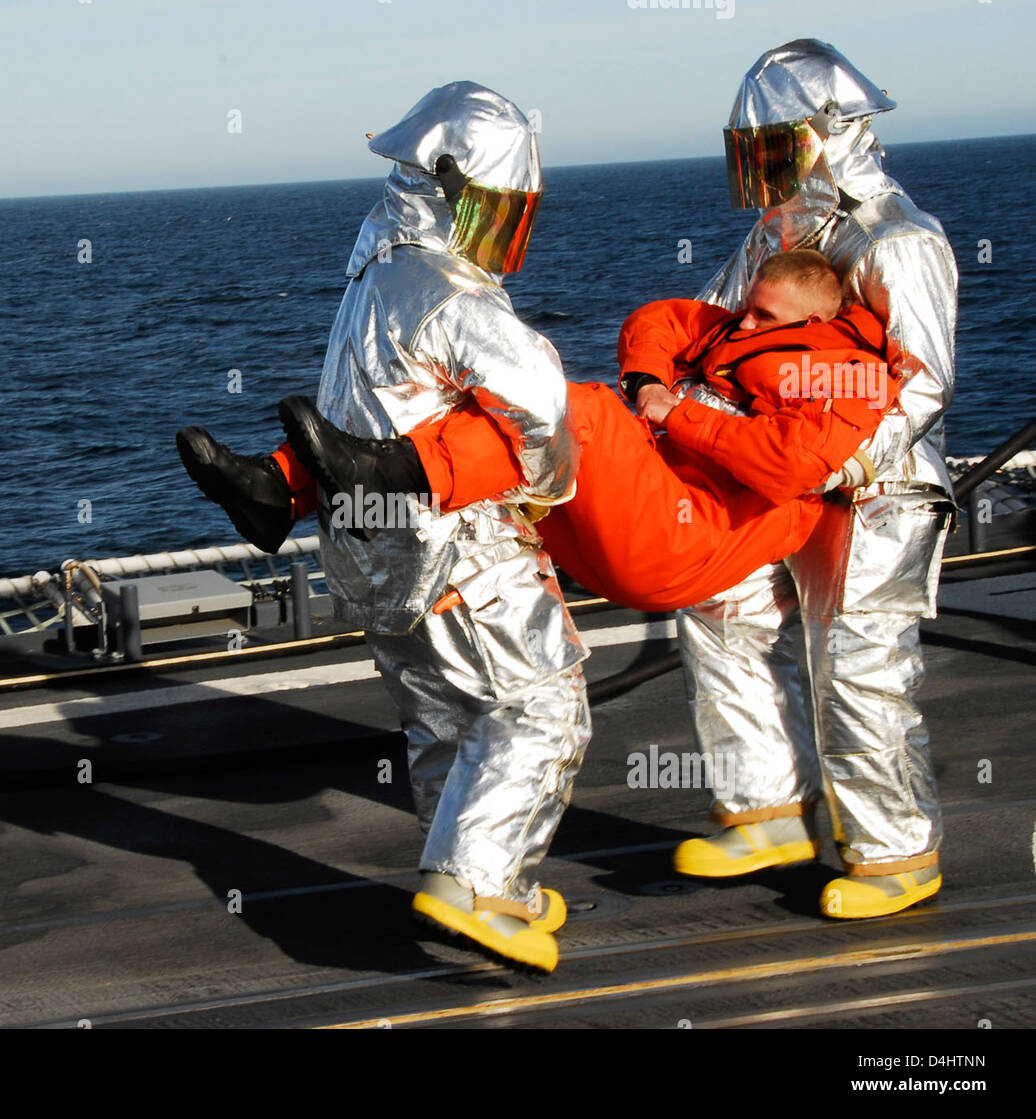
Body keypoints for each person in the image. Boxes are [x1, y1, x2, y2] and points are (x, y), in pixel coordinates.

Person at [181, 82, 590, 972]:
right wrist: (551, 476)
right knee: (541, 708)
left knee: (449, 723)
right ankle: (468, 880)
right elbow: (542, 407)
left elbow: (348, 415)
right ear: (453, 191)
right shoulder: (450, 292)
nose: (502, 234)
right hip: (462, 553)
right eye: (496, 212)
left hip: (374, 559)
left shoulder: (372, 278)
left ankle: (497, 888)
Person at [655, 39, 957, 919]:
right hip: (785, 482)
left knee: (857, 666)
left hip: (876, 492)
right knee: (721, 606)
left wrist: (839, 461)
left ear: (826, 133)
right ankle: (767, 810)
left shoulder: (897, 239)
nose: (763, 168)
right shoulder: (780, 234)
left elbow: (923, 382)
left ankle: (897, 852)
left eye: (773, 147)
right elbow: (719, 335)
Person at [279, 249, 896, 616]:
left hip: (684, 540)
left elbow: (794, 465)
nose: (747, 322)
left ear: (815, 320)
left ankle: (389, 473)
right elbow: (658, 321)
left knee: (578, 410)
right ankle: (284, 487)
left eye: (765, 315)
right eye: (748, 307)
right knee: (494, 407)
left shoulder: (847, 374)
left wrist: (675, 414)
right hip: (624, 525)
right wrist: (648, 380)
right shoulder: (737, 333)